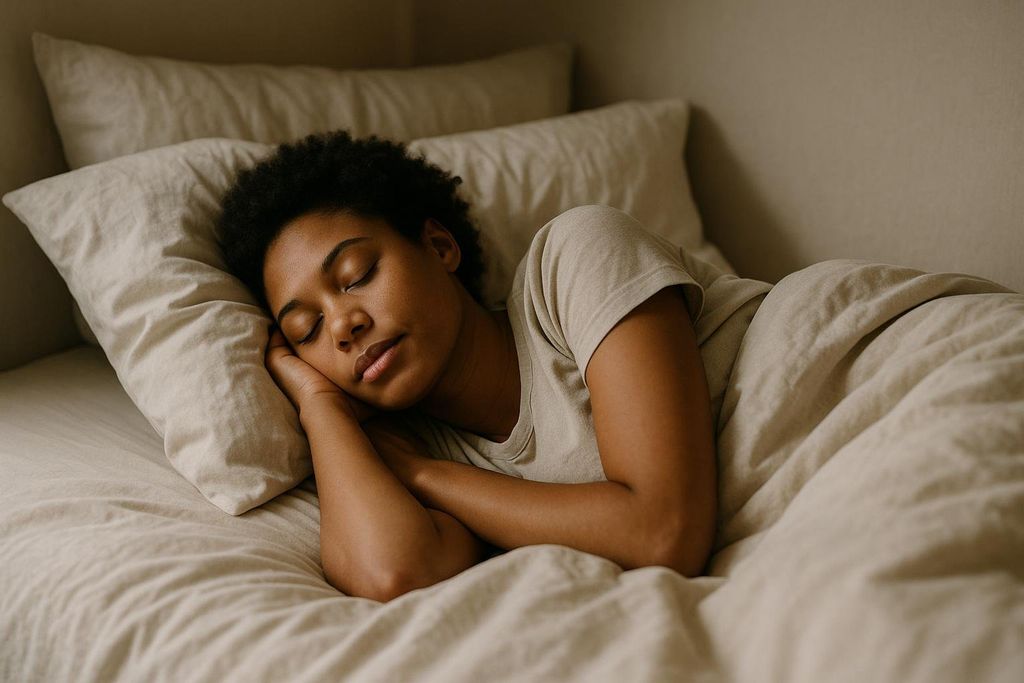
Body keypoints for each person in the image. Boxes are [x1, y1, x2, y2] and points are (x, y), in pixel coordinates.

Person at [217, 130, 770, 602]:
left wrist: (422, 475)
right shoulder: (410, 447)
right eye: (305, 331)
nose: (341, 326)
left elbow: (663, 532)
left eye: (358, 274)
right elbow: (394, 572)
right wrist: (321, 410)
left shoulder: (573, 259)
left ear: (439, 247)